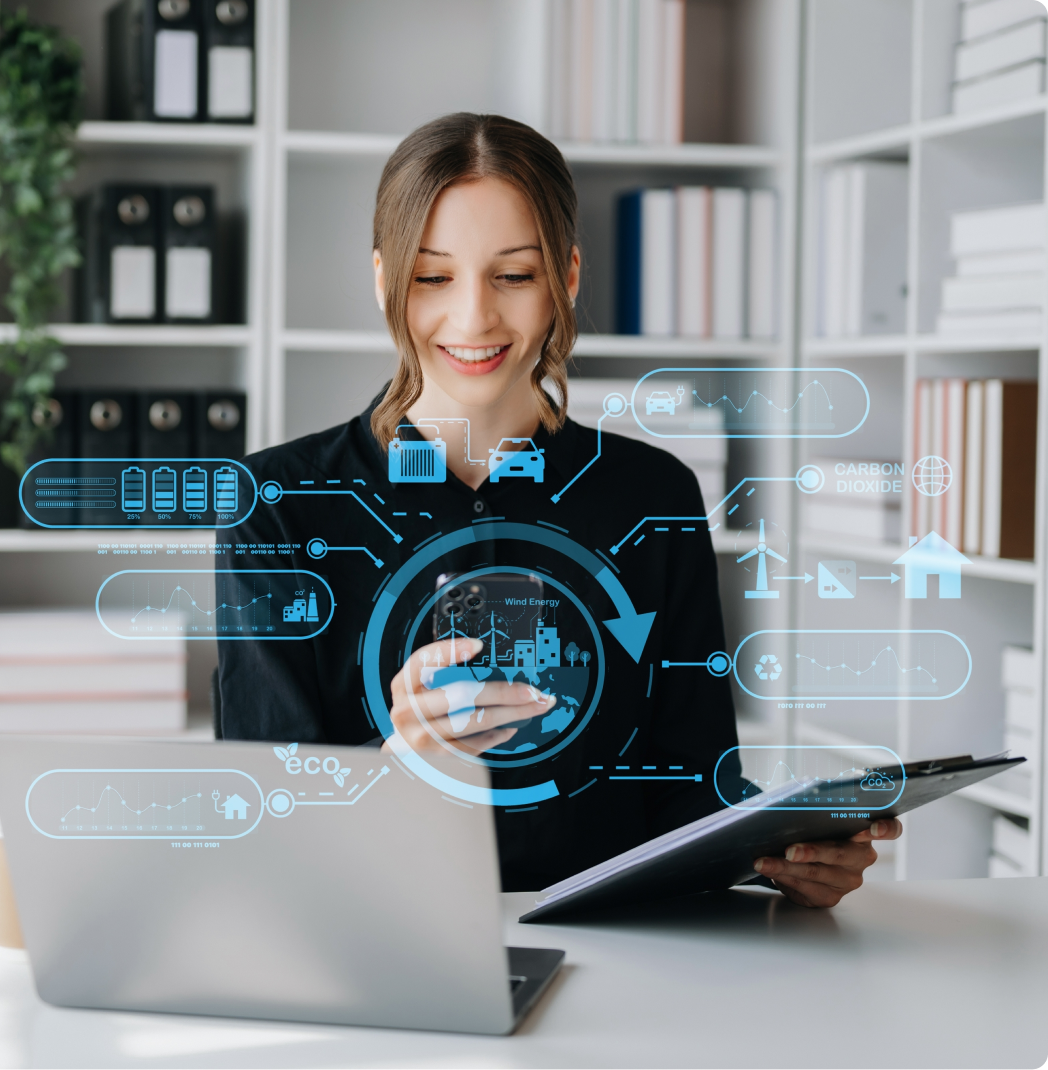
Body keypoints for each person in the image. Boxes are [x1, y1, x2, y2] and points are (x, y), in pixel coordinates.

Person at [218, 112, 900, 906]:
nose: (473, 318)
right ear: (382, 280)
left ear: (566, 279)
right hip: (379, 946)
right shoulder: (280, 507)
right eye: (433, 276)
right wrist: (401, 761)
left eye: (514, 274)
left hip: (627, 957)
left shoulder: (655, 497)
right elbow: (265, 831)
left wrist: (781, 854)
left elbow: (687, 791)